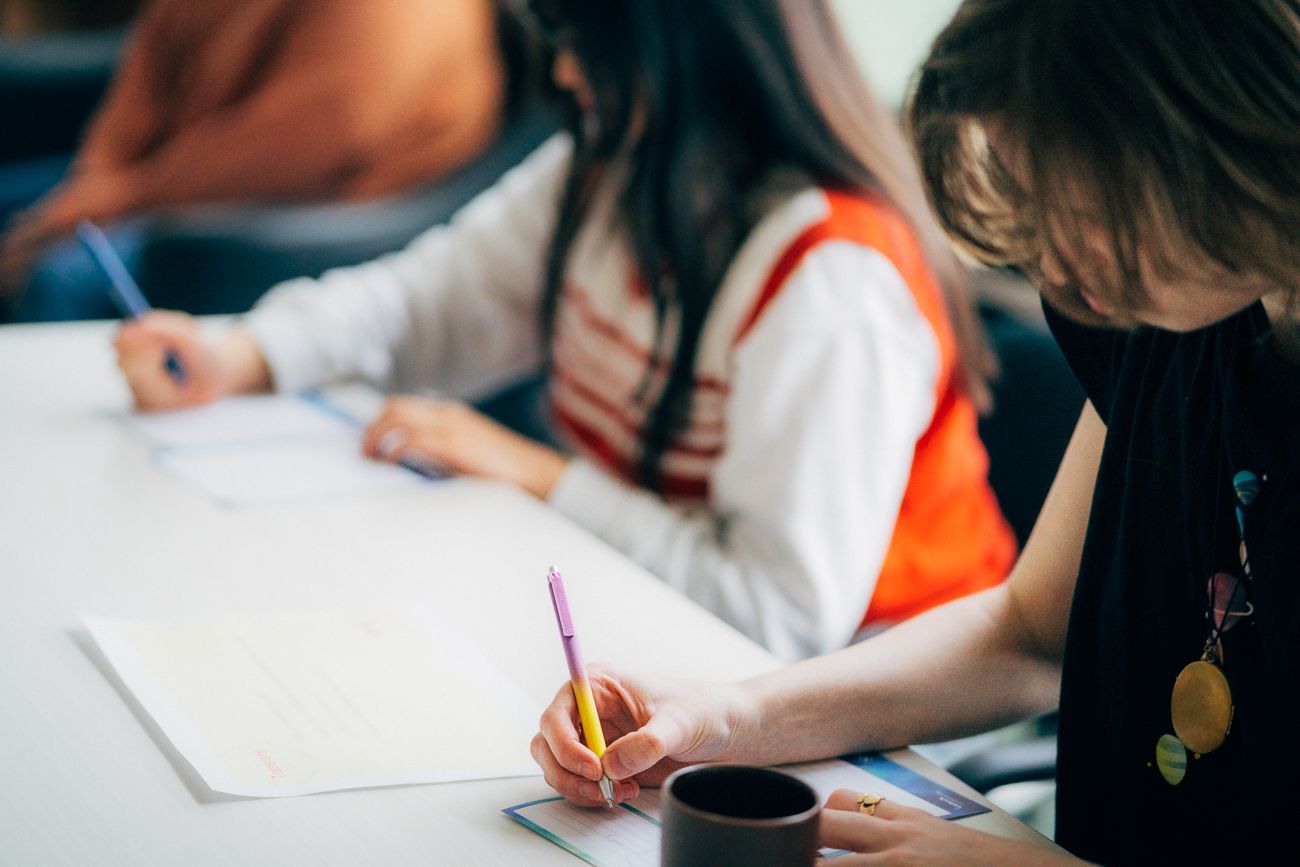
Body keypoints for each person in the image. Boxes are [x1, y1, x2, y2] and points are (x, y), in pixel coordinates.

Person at [531, 0, 1300, 863]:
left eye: (1078, 202)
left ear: (1218, 134)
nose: (1045, 261)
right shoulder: (1169, 324)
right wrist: (731, 715)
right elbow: (1025, 634)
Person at [113, 0, 1015, 663]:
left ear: (682, 55)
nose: (566, 77)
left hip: (865, 697)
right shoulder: (615, 166)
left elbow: (776, 617)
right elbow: (430, 299)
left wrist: (539, 476)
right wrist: (246, 355)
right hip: (641, 624)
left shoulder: (832, 281)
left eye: (585, 48)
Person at [0, 0, 508, 319]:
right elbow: (146, 78)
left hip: (305, 209)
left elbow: (313, 139)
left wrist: (108, 202)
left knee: (62, 273)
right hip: (170, 181)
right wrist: (93, 180)